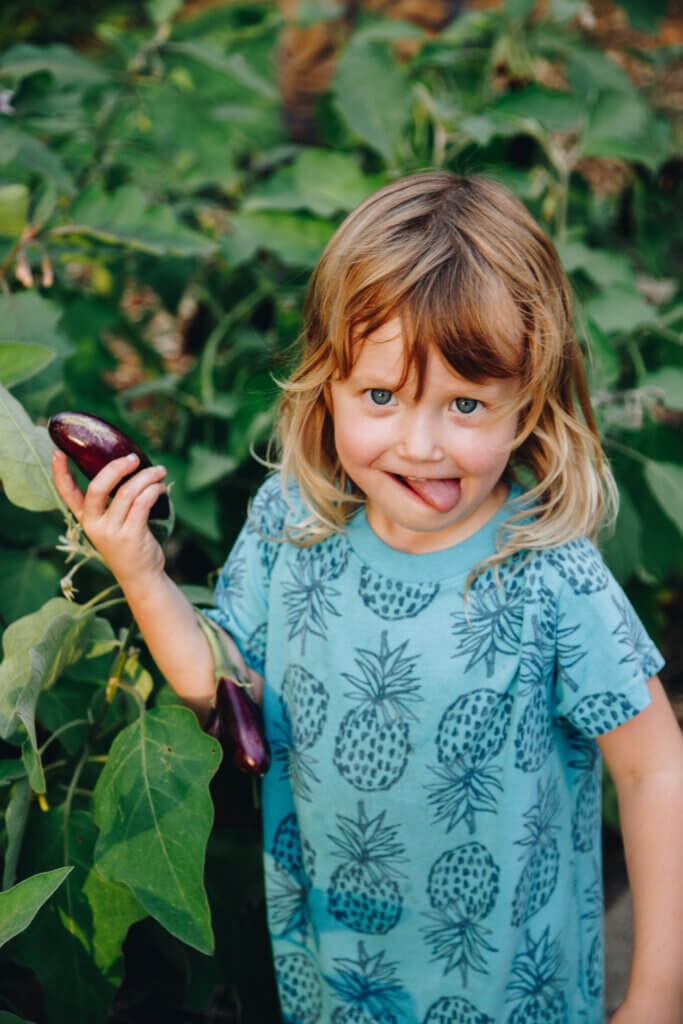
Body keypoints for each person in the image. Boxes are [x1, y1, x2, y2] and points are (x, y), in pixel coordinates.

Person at [52, 172, 683, 1024]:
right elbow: (226, 693)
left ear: (528, 403)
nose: (420, 445)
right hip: (339, 979)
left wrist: (655, 999)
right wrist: (141, 572)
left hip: (508, 994)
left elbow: (654, 771)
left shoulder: (545, 575)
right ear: (327, 383)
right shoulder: (293, 524)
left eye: (465, 404)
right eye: (380, 397)